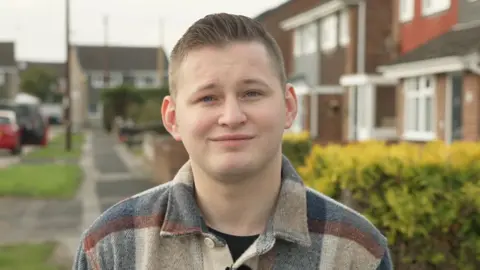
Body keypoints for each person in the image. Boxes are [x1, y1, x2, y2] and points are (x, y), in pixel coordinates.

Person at [73, 13, 393, 270]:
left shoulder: (358, 252)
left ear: (289, 107)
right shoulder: (112, 247)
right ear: (172, 118)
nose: (231, 116)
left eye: (251, 93)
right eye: (208, 97)